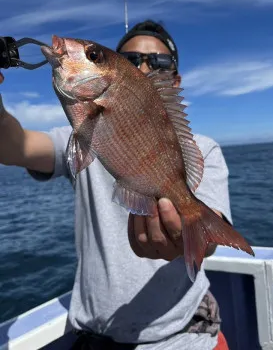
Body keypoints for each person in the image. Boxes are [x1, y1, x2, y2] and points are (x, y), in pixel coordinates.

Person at [0, 21, 230, 350]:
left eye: (160, 62)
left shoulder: (202, 149)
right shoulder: (77, 138)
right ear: (120, 70)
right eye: (131, 59)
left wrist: (190, 237)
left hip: (178, 338)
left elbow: (211, 236)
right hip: (91, 337)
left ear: (175, 81)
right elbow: (13, 147)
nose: (146, 67)